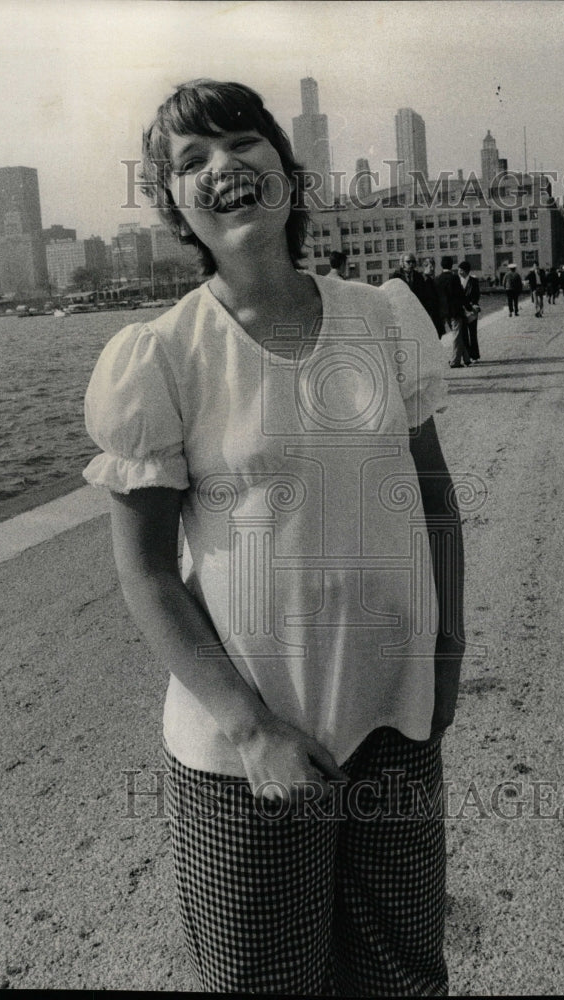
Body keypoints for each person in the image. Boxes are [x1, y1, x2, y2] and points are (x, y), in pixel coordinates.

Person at [83, 80, 464, 995]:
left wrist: (444, 664)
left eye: (241, 141)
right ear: (175, 209)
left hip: (392, 724)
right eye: (189, 160)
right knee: (265, 980)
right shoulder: (163, 356)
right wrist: (253, 732)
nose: (221, 166)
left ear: (287, 172)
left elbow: (435, 499)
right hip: (244, 753)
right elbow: (145, 574)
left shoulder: (383, 319)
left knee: (402, 974)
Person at [391, 252, 444, 335]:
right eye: (408, 262)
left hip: (416, 311)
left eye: (413, 262)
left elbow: (424, 295)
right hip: (402, 311)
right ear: (402, 263)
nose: (411, 264)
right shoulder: (395, 276)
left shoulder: (419, 277)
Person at [435, 255, 470, 366]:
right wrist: (469, 308)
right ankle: (455, 361)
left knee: (457, 335)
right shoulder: (454, 278)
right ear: (452, 265)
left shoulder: (437, 279)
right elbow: (461, 295)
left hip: (444, 312)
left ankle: (467, 358)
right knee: (457, 336)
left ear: (441, 265)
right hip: (455, 311)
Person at [458, 260, 482, 361]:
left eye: (461, 270)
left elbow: (477, 295)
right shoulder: (457, 281)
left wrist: (472, 305)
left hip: (472, 311)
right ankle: (467, 356)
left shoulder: (474, 281)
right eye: (459, 270)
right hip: (461, 311)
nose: (459, 272)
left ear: (466, 271)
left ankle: (475, 355)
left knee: (473, 333)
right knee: (464, 334)